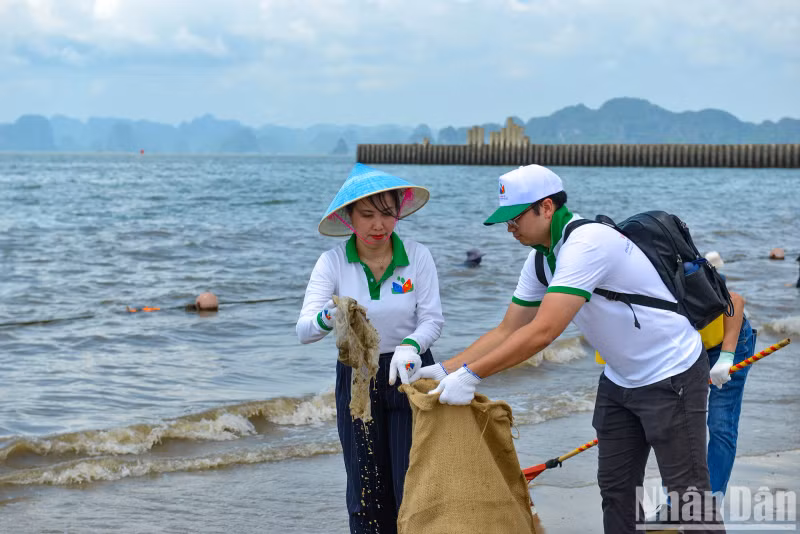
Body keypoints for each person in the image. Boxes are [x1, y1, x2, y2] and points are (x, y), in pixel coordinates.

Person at [413, 164, 723, 532]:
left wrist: (472, 376)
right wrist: (446, 369)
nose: (509, 228)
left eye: (515, 218)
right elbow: (508, 329)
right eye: (505, 221)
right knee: (616, 491)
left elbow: (544, 331)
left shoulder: (587, 243)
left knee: (689, 496)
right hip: (620, 381)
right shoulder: (541, 259)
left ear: (546, 207)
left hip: (672, 374)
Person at [296, 163, 444, 533]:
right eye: (367, 215)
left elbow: (432, 320)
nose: (379, 225)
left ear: (399, 212)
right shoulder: (332, 262)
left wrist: (411, 345)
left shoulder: (418, 256)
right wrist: (330, 316)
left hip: (410, 373)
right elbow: (304, 330)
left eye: (388, 213)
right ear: (348, 217)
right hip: (357, 377)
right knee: (366, 490)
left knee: (413, 483)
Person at [648, 251, 757, 523]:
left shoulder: (684, 277)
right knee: (677, 427)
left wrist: (727, 358)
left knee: (720, 425)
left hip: (728, 343)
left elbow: (735, 301)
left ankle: (707, 509)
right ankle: (676, 506)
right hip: (689, 351)